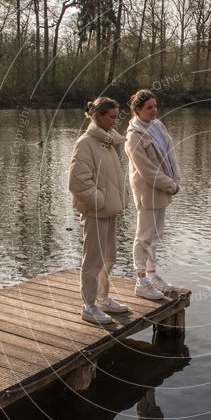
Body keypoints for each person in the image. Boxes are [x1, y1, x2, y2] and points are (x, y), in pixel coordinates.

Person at [68, 97, 129, 325]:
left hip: (109, 209)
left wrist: (112, 201)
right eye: (112, 116)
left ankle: (102, 298)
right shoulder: (85, 143)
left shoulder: (107, 142)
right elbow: (78, 182)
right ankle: (89, 306)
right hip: (95, 211)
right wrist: (101, 201)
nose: (116, 121)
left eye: (116, 116)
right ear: (99, 116)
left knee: (109, 257)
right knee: (93, 260)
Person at [124, 89, 181, 300]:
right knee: (144, 236)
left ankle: (152, 274)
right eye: (149, 107)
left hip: (163, 189)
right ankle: (141, 281)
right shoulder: (133, 137)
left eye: (155, 106)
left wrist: (177, 180)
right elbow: (146, 170)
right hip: (147, 192)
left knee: (156, 236)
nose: (154, 110)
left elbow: (170, 154)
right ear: (137, 110)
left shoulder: (157, 125)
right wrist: (170, 185)